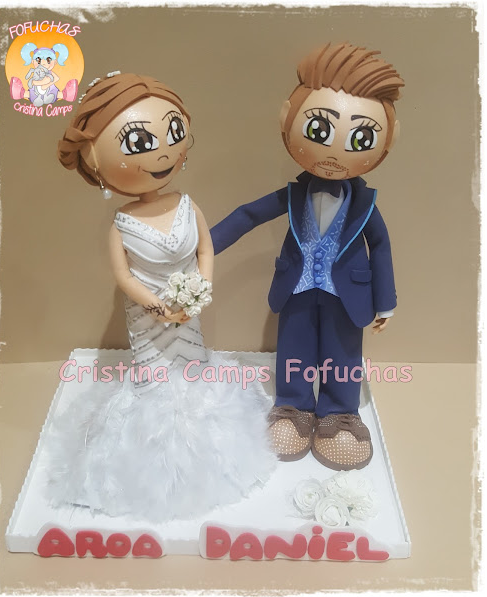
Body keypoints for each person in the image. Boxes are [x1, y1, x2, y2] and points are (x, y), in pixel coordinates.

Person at [46, 73, 276, 523]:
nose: (165, 151)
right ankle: (153, 465)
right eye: (140, 143)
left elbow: (205, 249)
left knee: (193, 369)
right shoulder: (122, 223)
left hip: (188, 312)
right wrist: (155, 306)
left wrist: (200, 290)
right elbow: (122, 275)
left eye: (174, 132)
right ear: (96, 163)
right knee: (154, 380)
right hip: (148, 316)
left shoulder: (187, 205)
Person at [210, 42, 405, 470]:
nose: (334, 151)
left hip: (347, 294)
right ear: (288, 120)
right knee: (293, 348)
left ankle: (340, 414)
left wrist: (385, 301)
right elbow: (247, 215)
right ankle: (293, 407)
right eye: (320, 130)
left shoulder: (365, 204)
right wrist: (205, 244)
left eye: (361, 138)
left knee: (343, 353)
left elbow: (381, 246)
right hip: (296, 286)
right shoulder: (294, 194)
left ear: (386, 142)